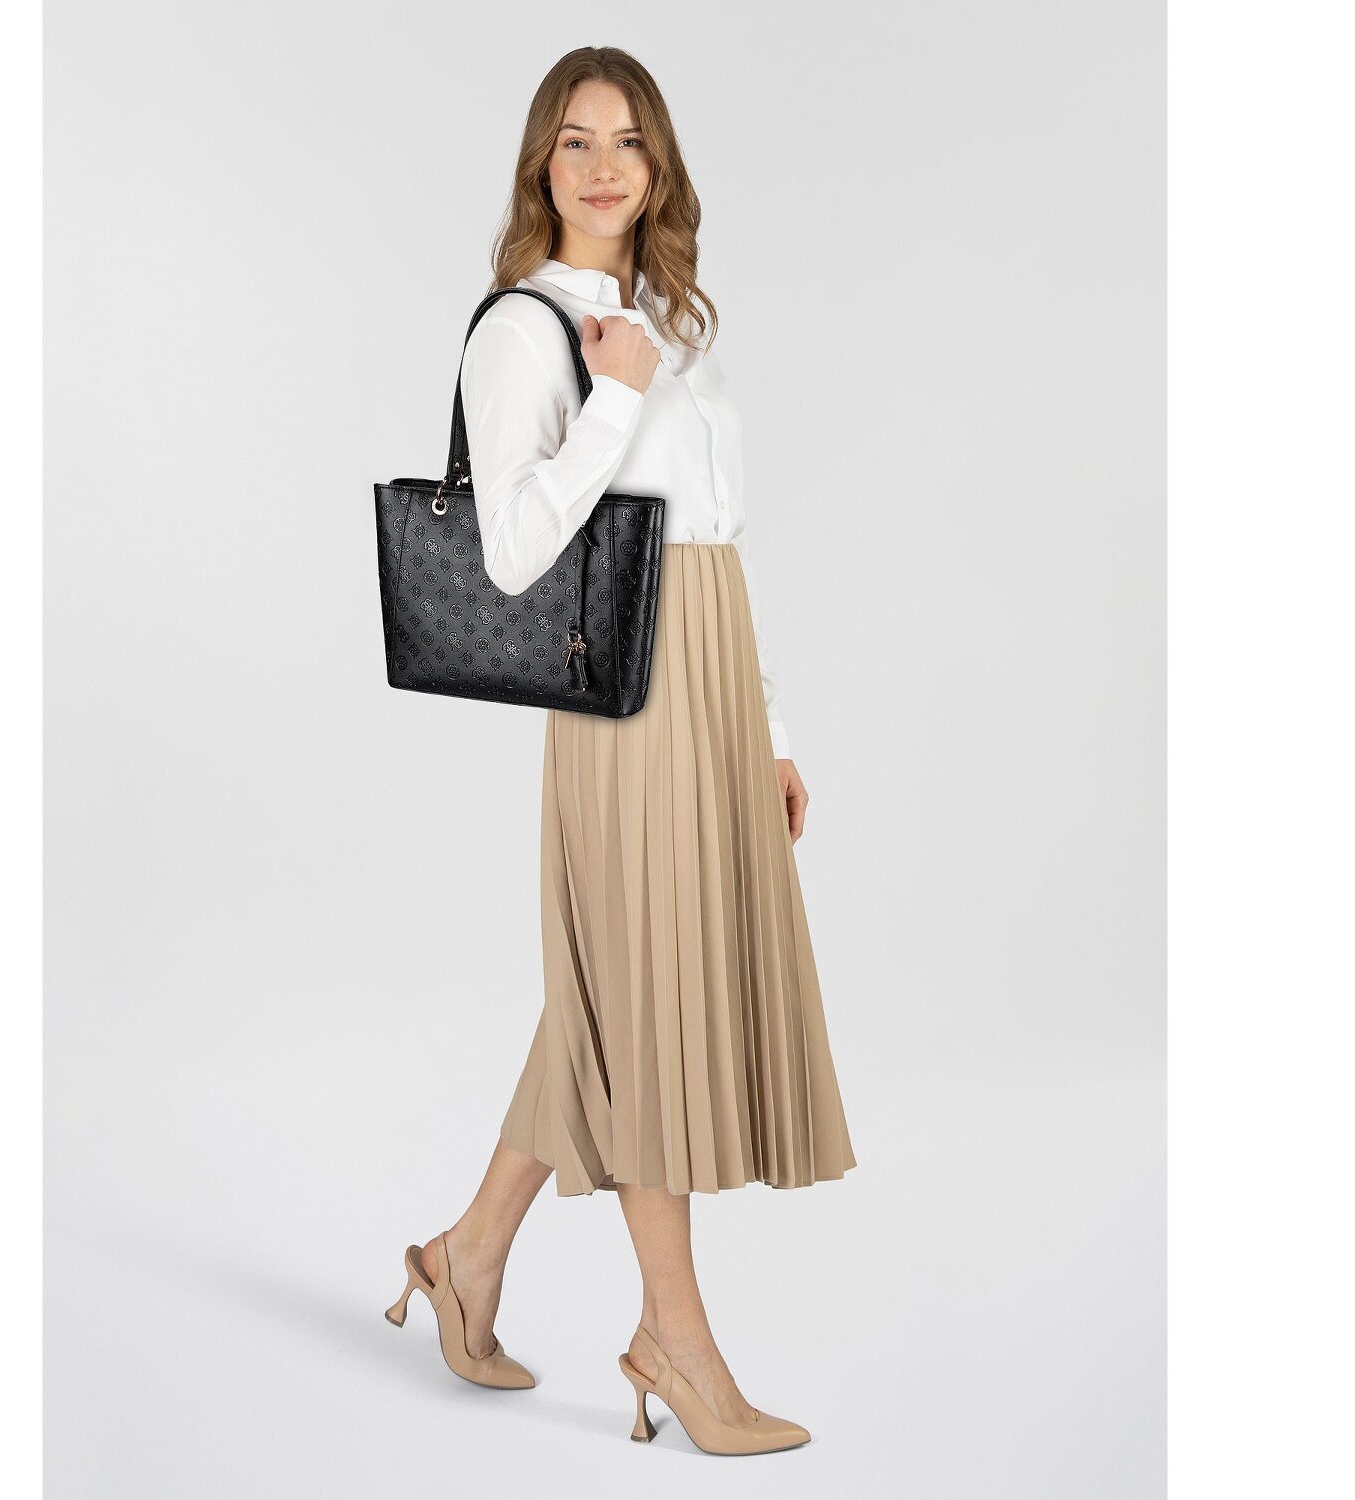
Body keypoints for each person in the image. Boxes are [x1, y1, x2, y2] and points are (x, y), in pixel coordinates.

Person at [385, 46, 857, 1457]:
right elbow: (515, 553)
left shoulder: (658, 321)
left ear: (660, 169)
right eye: (577, 140)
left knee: (617, 989)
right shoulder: (525, 329)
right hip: (623, 691)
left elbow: (718, 540)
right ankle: (679, 1344)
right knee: (645, 999)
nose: (603, 166)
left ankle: (466, 1256)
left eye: (630, 141)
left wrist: (769, 730)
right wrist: (612, 402)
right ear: (543, 162)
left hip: (709, 677)